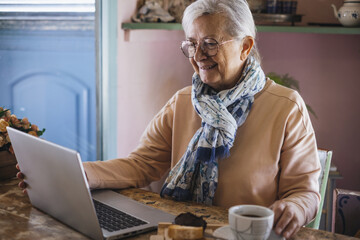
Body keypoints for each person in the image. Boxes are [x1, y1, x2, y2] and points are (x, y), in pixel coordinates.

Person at [18, 0, 321, 238]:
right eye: (192, 43)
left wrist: (294, 207)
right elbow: (141, 165)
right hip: (183, 232)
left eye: (211, 43)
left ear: (245, 46)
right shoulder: (182, 102)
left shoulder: (286, 107)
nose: (198, 55)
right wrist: (78, 175)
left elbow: (305, 193)